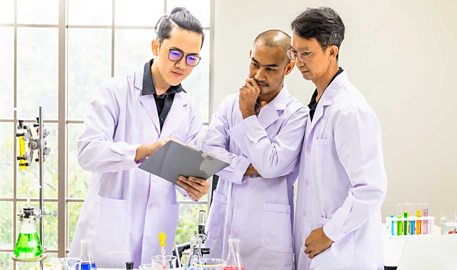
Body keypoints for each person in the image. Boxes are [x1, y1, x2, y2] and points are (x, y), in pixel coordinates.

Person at [69, 8, 210, 268]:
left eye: (192, 58)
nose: (182, 65)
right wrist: (144, 150)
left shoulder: (188, 107)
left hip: (158, 231)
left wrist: (194, 185)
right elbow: (87, 152)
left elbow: (180, 174)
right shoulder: (115, 91)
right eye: (175, 53)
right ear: (156, 46)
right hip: (109, 230)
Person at [289, 7, 388, 270]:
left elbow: (370, 188)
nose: (298, 61)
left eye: (306, 53)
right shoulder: (317, 104)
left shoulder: (349, 110)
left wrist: (329, 233)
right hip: (320, 251)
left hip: (344, 252)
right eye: (294, 52)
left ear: (332, 51)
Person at [202, 30, 309, 270]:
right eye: (254, 64)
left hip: (267, 238)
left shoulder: (296, 114)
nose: (259, 75)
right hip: (225, 221)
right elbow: (208, 155)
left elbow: (273, 166)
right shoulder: (230, 103)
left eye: (270, 68)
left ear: (289, 68)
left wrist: (248, 114)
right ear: (249, 55)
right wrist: (249, 168)